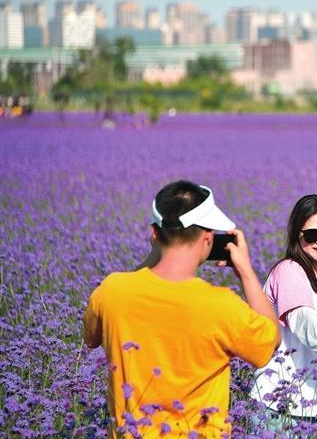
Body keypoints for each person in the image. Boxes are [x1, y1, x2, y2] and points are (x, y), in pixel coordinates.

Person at [83, 180, 280, 438]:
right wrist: (245, 271)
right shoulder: (221, 305)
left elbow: (90, 338)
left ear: (154, 234)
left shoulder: (111, 291)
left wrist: (154, 256)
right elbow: (270, 341)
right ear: (208, 238)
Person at [250, 194, 317, 426]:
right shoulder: (289, 270)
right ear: (297, 236)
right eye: (312, 234)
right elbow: (306, 325)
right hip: (284, 408)